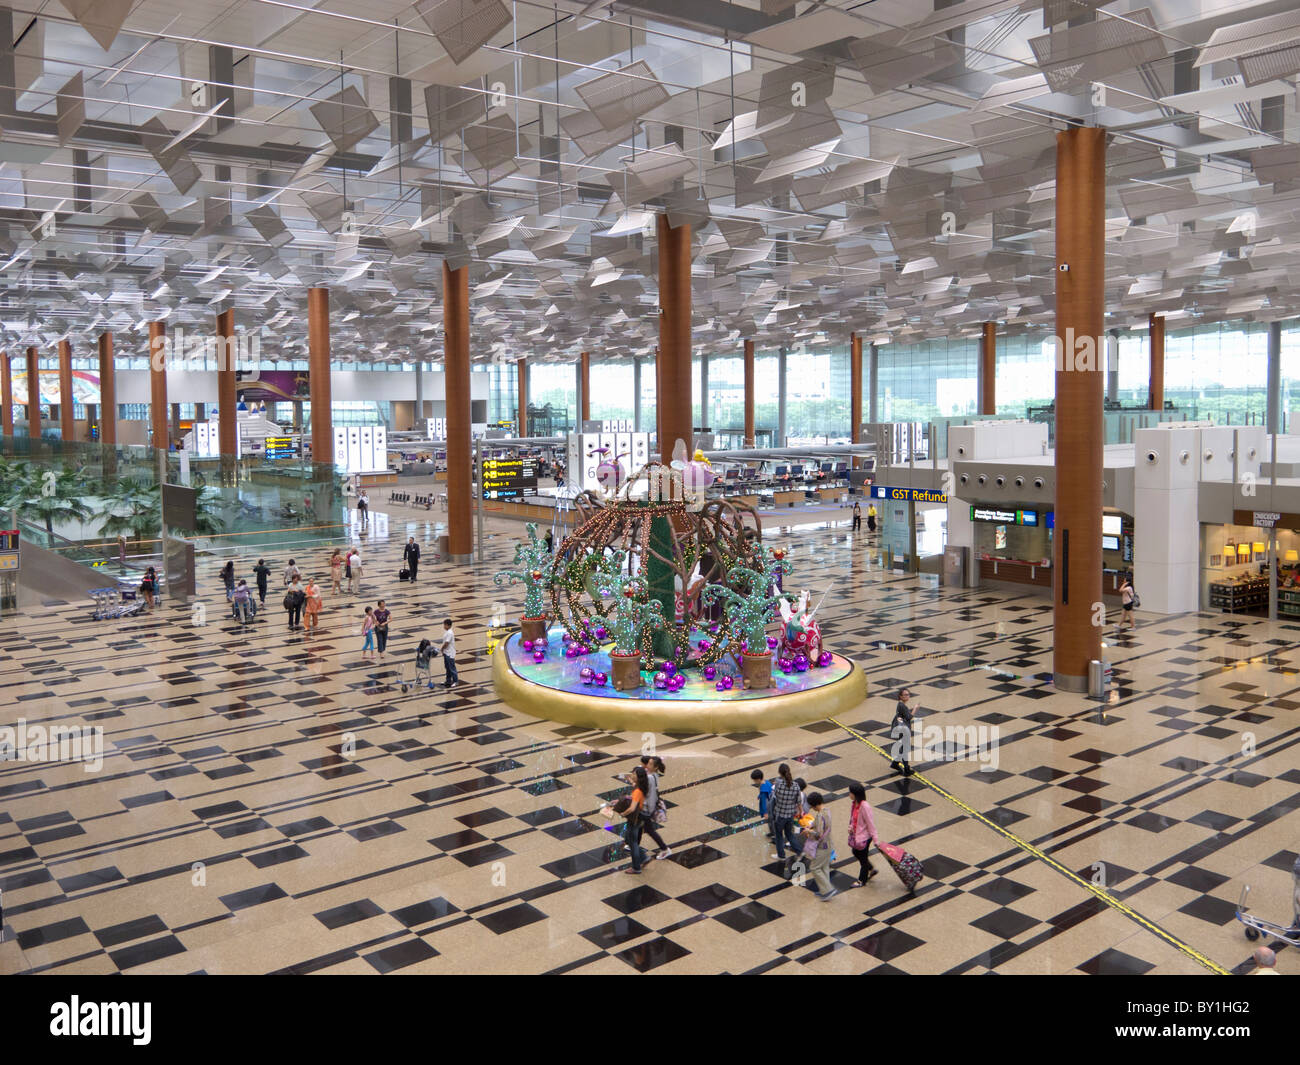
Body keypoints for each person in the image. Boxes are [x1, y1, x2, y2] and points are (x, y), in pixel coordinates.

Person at [769, 764, 803, 866]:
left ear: (780, 773)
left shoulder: (779, 785)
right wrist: (800, 812)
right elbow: (799, 802)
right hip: (790, 815)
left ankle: (781, 855)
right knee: (789, 834)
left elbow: (774, 797)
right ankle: (799, 851)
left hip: (779, 815)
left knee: (779, 835)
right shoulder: (796, 785)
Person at [804, 793, 837, 901]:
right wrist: (812, 825)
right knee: (824, 867)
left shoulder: (821, 815)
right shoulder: (826, 811)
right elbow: (819, 822)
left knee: (814, 867)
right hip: (829, 845)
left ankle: (828, 890)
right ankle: (825, 891)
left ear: (814, 805)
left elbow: (819, 834)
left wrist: (809, 831)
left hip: (823, 846)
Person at [846, 782, 878, 886]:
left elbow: (870, 824)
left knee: (863, 858)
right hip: (857, 835)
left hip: (865, 837)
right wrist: (851, 827)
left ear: (855, 794)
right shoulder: (854, 804)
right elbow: (853, 819)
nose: (849, 794)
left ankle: (861, 880)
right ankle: (870, 868)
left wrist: (876, 840)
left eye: (850, 792)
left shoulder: (865, 806)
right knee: (855, 851)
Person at [620, 765, 650, 875]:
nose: (632, 775)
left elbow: (632, 808)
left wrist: (624, 813)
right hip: (641, 817)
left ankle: (636, 867)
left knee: (633, 844)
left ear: (639, 777)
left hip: (635, 819)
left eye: (634, 774)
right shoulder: (642, 786)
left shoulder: (637, 791)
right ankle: (644, 857)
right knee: (629, 839)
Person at [890, 688, 915, 777]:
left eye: (908, 694)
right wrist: (915, 709)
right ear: (900, 696)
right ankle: (906, 769)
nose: (907, 696)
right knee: (905, 748)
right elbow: (909, 717)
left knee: (903, 748)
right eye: (905, 695)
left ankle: (895, 763)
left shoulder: (900, 705)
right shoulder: (902, 706)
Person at [751, 769, 774, 840]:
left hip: (768, 806)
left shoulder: (763, 789)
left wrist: (765, 812)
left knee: (770, 821)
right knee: (771, 820)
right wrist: (759, 795)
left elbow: (764, 802)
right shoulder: (766, 782)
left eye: (754, 780)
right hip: (772, 803)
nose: (754, 781)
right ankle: (773, 832)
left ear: (758, 779)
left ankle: (774, 833)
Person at [438, 617, 458, 686]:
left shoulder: (450, 633)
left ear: (448, 625)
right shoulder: (447, 632)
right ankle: (448, 681)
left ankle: (455, 681)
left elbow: (446, 643)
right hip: (446, 652)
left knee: (452, 668)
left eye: (445, 625)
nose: (444, 626)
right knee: (447, 668)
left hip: (450, 653)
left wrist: (441, 649)